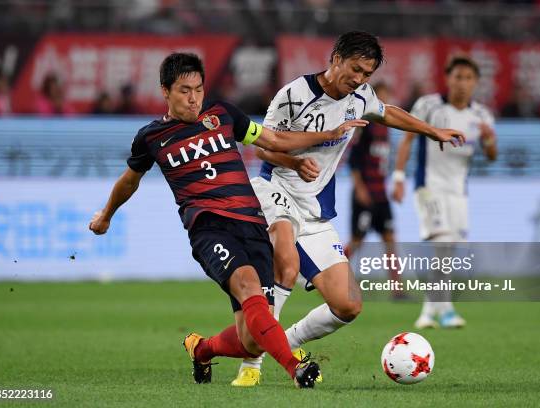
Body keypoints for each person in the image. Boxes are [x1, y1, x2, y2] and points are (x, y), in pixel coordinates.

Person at [88, 52, 368, 389]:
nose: (193, 99)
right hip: (209, 228)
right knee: (249, 286)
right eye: (184, 91)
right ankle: (296, 367)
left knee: (251, 339)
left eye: (198, 89)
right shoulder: (151, 137)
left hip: (251, 224)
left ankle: (202, 349)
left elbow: (274, 140)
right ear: (165, 91)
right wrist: (106, 214)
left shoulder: (222, 114)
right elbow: (129, 180)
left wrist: (327, 135)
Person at [233, 31, 465, 387]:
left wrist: (431, 131)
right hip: (275, 189)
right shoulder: (294, 96)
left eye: (367, 74)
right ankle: (252, 364)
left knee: (349, 305)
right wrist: (294, 164)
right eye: (355, 69)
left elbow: (388, 114)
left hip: (314, 209)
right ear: (336, 58)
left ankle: (286, 341)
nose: (358, 79)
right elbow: (263, 148)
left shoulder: (360, 97)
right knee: (287, 263)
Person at [393, 55, 498, 329]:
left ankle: (430, 311)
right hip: (429, 187)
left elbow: (491, 156)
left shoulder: (481, 116)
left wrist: (488, 139)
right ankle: (445, 309)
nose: (462, 83)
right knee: (443, 244)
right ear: (448, 78)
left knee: (448, 250)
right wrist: (399, 177)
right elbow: (406, 139)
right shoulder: (428, 105)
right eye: (457, 77)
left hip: (458, 193)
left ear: (476, 82)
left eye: (468, 78)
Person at [344, 81, 404, 300]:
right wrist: (359, 188)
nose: (385, 103)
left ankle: (397, 289)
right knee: (357, 241)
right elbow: (353, 161)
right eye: (381, 98)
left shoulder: (386, 130)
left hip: (381, 195)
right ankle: (329, 278)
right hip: (366, 195)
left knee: (390, 238)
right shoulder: (366, 125)